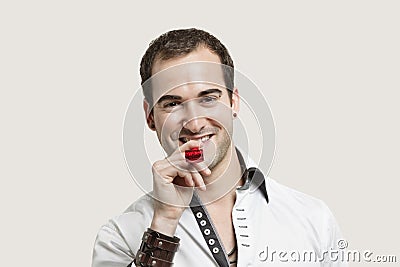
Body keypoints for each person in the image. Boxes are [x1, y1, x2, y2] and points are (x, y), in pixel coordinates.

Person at [92, 28, 347, 267]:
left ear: (233, 102)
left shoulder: (314, 219)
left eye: (208, 98)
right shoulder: (120, 236)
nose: (194, 123)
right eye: (172, 103)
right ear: (150, 117)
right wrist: (165, 223)